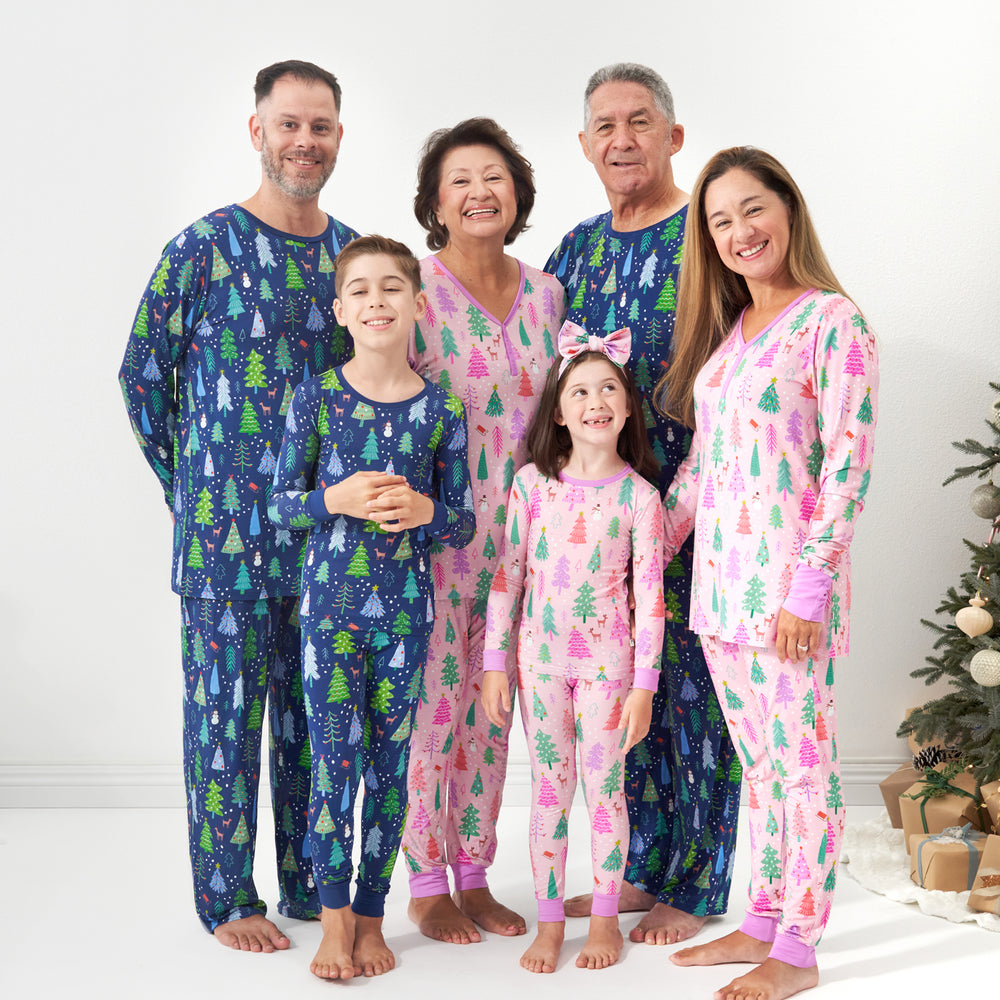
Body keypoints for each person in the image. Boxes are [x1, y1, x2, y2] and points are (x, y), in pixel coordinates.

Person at [118, 60, 359, 951]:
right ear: (256, 132)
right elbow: (143, 376)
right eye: (289, 124)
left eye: (322, 126)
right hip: (225, 547)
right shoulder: (203, 247)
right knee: (222, 727)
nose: (305, 141)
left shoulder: (356, 258)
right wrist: (196, 489)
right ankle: (227, 899)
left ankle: (307, 885)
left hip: (331, 544)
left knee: (315, 725)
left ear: (340, 136)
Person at [657, 146, 878, 1000]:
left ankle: (800, 944)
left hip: (789, 599)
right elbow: (704, 470)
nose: (740, 231)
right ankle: (760, 920)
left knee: (806, 772)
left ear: (788, 209)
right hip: (720, 596)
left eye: (754, 209)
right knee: (762, 771)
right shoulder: (731, 341)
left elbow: (847, 467)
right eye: (720, 221)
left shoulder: (833, 323)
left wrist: (809, 590)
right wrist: (632, 548)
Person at [544, 62, 740, 945]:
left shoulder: (709, 234)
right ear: (585, 145)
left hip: (693, 513)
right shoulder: (577, 249)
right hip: (597, 528)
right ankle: (638, 867)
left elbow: (746, 373)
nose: (621, 139)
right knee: (627, 701)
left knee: (693, 696)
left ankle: (696, 882)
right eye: (604, 126)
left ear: (673, 135)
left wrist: (685, 510)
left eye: (639, 121)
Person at [268, 235, 476, 979]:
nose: (376, 301)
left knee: (393, 770)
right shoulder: (317, 397)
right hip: (329, 612)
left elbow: (462, 520)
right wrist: (335, 498)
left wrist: (425, 509)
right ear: (340, 310)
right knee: (334, 765)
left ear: (418, 306)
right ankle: (330, 923)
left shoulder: (441, 408)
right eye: (359, 290)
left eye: (392, 288)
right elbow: (279, 505)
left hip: (405, 614)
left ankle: (370, 917)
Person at [402, 118, 567, 944]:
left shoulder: (548, 296)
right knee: (435, 708)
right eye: (459, 179)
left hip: (527, 549)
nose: (478, 192)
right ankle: (426, 881)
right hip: (434, 541)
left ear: (518, 194)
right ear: (435, 200)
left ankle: (475, 869)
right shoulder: (413, 293)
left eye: (494, 177)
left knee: (495, 712)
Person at [482, 323, 666, 973]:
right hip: (539, 664)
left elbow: (650, 601)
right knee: (550, 796)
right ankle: (551, 923)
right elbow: (508, 577)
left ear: (627, 406)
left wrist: (644, 685)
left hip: (608, 669)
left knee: (605, 791)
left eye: (608, 388)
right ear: (559, 414)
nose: (595, 402)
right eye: (580, 391)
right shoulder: (532, 485)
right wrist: (493, 665)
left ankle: (607, 919)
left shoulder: (641, 499)